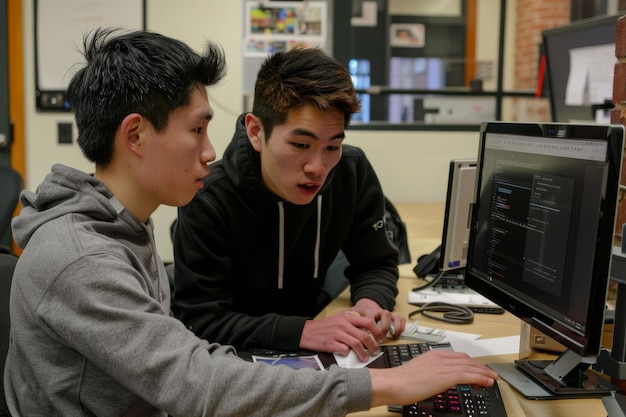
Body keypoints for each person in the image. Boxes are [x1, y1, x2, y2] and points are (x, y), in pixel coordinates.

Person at [4, 28, 498, 417]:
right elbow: (195, 382)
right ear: (135, 135)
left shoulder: (125, 224)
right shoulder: (83, 258)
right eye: (197, 129)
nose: (210, 151)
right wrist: (386, 383)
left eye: (332, 146)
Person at [172, 47, 405, 362]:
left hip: (320, 344)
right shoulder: (208, 197)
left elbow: (376, 262)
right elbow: (203, 321)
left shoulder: (351, 170)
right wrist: (303, 331)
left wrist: (370, 303)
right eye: (301, 145)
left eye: (333, 145)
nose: (318, 168)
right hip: (238, 360)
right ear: (256, 131)